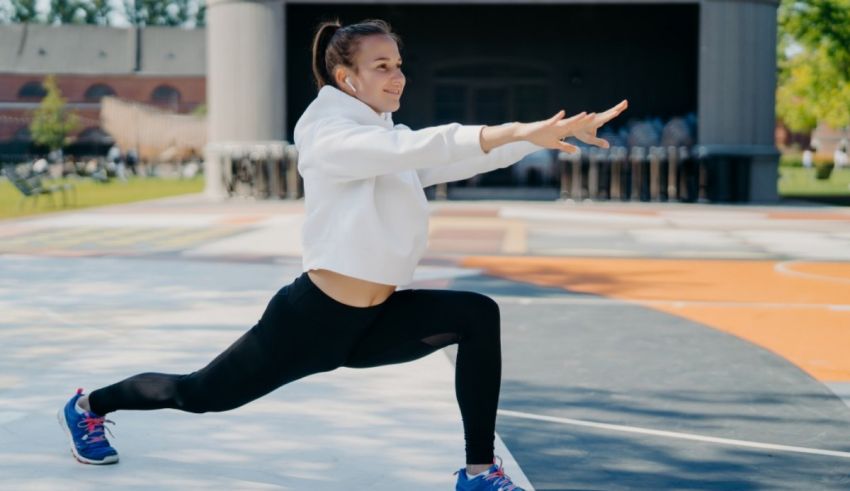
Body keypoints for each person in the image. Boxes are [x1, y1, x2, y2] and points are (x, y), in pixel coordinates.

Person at [57, 18, 627, 490]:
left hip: (374, 318)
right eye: (382, 66)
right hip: (312, 321)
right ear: (345, 77)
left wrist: (530, 140)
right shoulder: (329, 133)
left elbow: (436, 160)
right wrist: (511, 129)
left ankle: (479, 472)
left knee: (477, 315)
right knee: (199, 394)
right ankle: (90, 407)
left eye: (399, 64)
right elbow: (414, 146)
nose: (397, 76)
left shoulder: (377, 132)